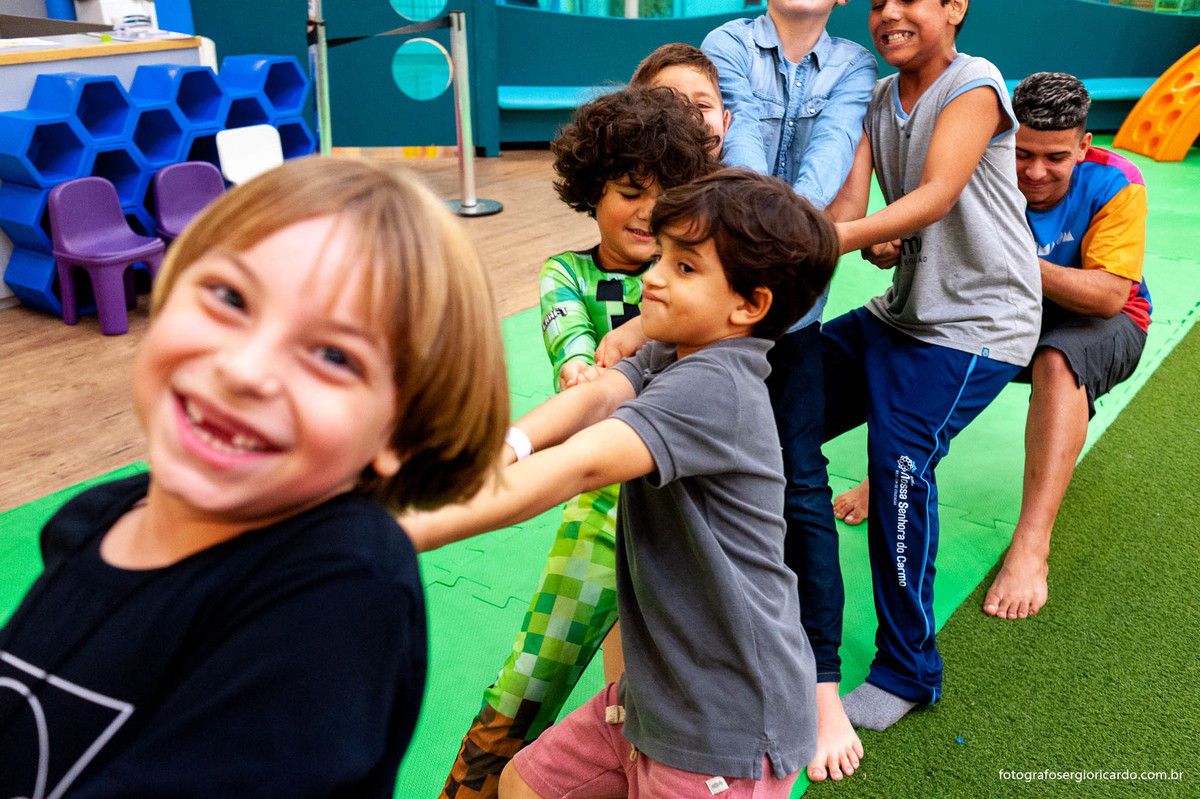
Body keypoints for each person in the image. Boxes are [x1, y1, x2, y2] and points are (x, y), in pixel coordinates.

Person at [0, 157, 510, 798]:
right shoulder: (91, 519)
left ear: (400, 434)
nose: (245, 370)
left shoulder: (340, 593)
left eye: (334, 355)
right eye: (230, 298)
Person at [408, 167, 840, 799]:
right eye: (661, 256)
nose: (654, 276)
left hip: (725, 723)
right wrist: (508, 446)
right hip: (653, 696)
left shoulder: (716, 387)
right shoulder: (680, 346)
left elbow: (582, 463)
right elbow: (598, 395)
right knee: (523, 782)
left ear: (749, 305)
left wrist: (402, 529)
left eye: (685, 267)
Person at [438, 84, 717, 799]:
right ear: (592, 189)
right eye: (630, 191)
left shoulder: (697, 274)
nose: (648, 211)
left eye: (667, 194)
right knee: (534, 674)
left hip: (697, 518)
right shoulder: (570, 274)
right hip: (602, 509)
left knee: (657, 690)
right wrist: (582, 369)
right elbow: (575, 353)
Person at [824, 0, 1042, 731]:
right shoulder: (879, 98)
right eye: (876, 2)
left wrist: (829, 239)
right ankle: (789, 601)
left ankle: (908, 670)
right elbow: (852, 205)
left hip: (978, 325)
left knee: (898, 466)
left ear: (954, 7)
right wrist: (858, 236)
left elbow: (937, 195)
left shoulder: (975, 83)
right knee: (775, 398)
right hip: (904, 312)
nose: (887, 12)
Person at [693, 0, 878, 781]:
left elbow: (832, 157)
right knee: (699, 477)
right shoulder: (726, 44)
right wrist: (793, 230)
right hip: (715, 306)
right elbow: (739, 159)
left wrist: (779, 242)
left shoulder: (855, 64)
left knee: (802, 484)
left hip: (796, 310)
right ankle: (710, 652)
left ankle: (822, 679)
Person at [982, 72, 1151, 620]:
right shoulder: (979, 167)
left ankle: (1031, 546)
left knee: (1058, 359)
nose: (1035, 172)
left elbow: (1107, 296)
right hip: (1013, 309)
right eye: (1022, 153)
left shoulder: (1116, 180)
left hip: (1107, 320)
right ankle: (897, 472)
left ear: (1083, 146)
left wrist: (1016, 262)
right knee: (930, 334)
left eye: (1055, 157)